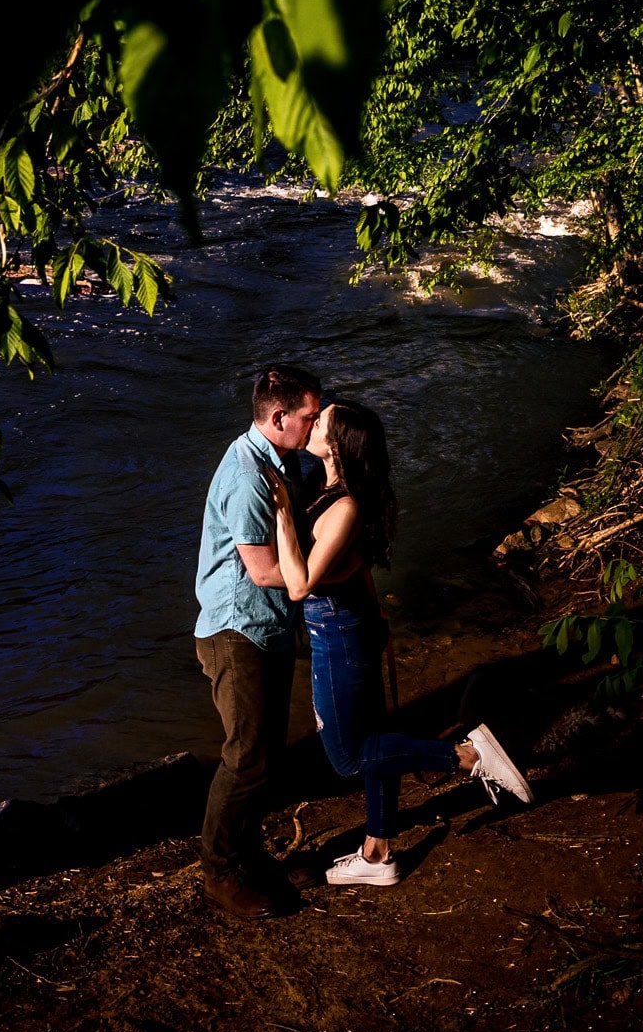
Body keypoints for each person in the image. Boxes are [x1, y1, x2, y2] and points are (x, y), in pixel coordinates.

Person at [269, 400, 534, 886]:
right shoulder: (330, 491)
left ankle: (467, 757)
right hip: (354, 624)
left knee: (349, 755)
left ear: (338, 445)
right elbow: (358, 569)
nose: (312, 422)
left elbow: (301, 584)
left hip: (337, 633)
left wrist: (284, 514)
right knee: (375, 741)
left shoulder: (344, 505)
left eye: (322, 420)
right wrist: (379, 615)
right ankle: (378, 853)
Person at [192, 364, 325, 919]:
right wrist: (327, 574)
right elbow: (267, 571)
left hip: (266, 625)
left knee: (265, 757)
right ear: (279, 417)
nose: (315, 428)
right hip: (235, 629)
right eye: (309, 418)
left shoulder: (280, 461)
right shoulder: (248, 476)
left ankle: (248, 856)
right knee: (245, 755)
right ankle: (218, 872)